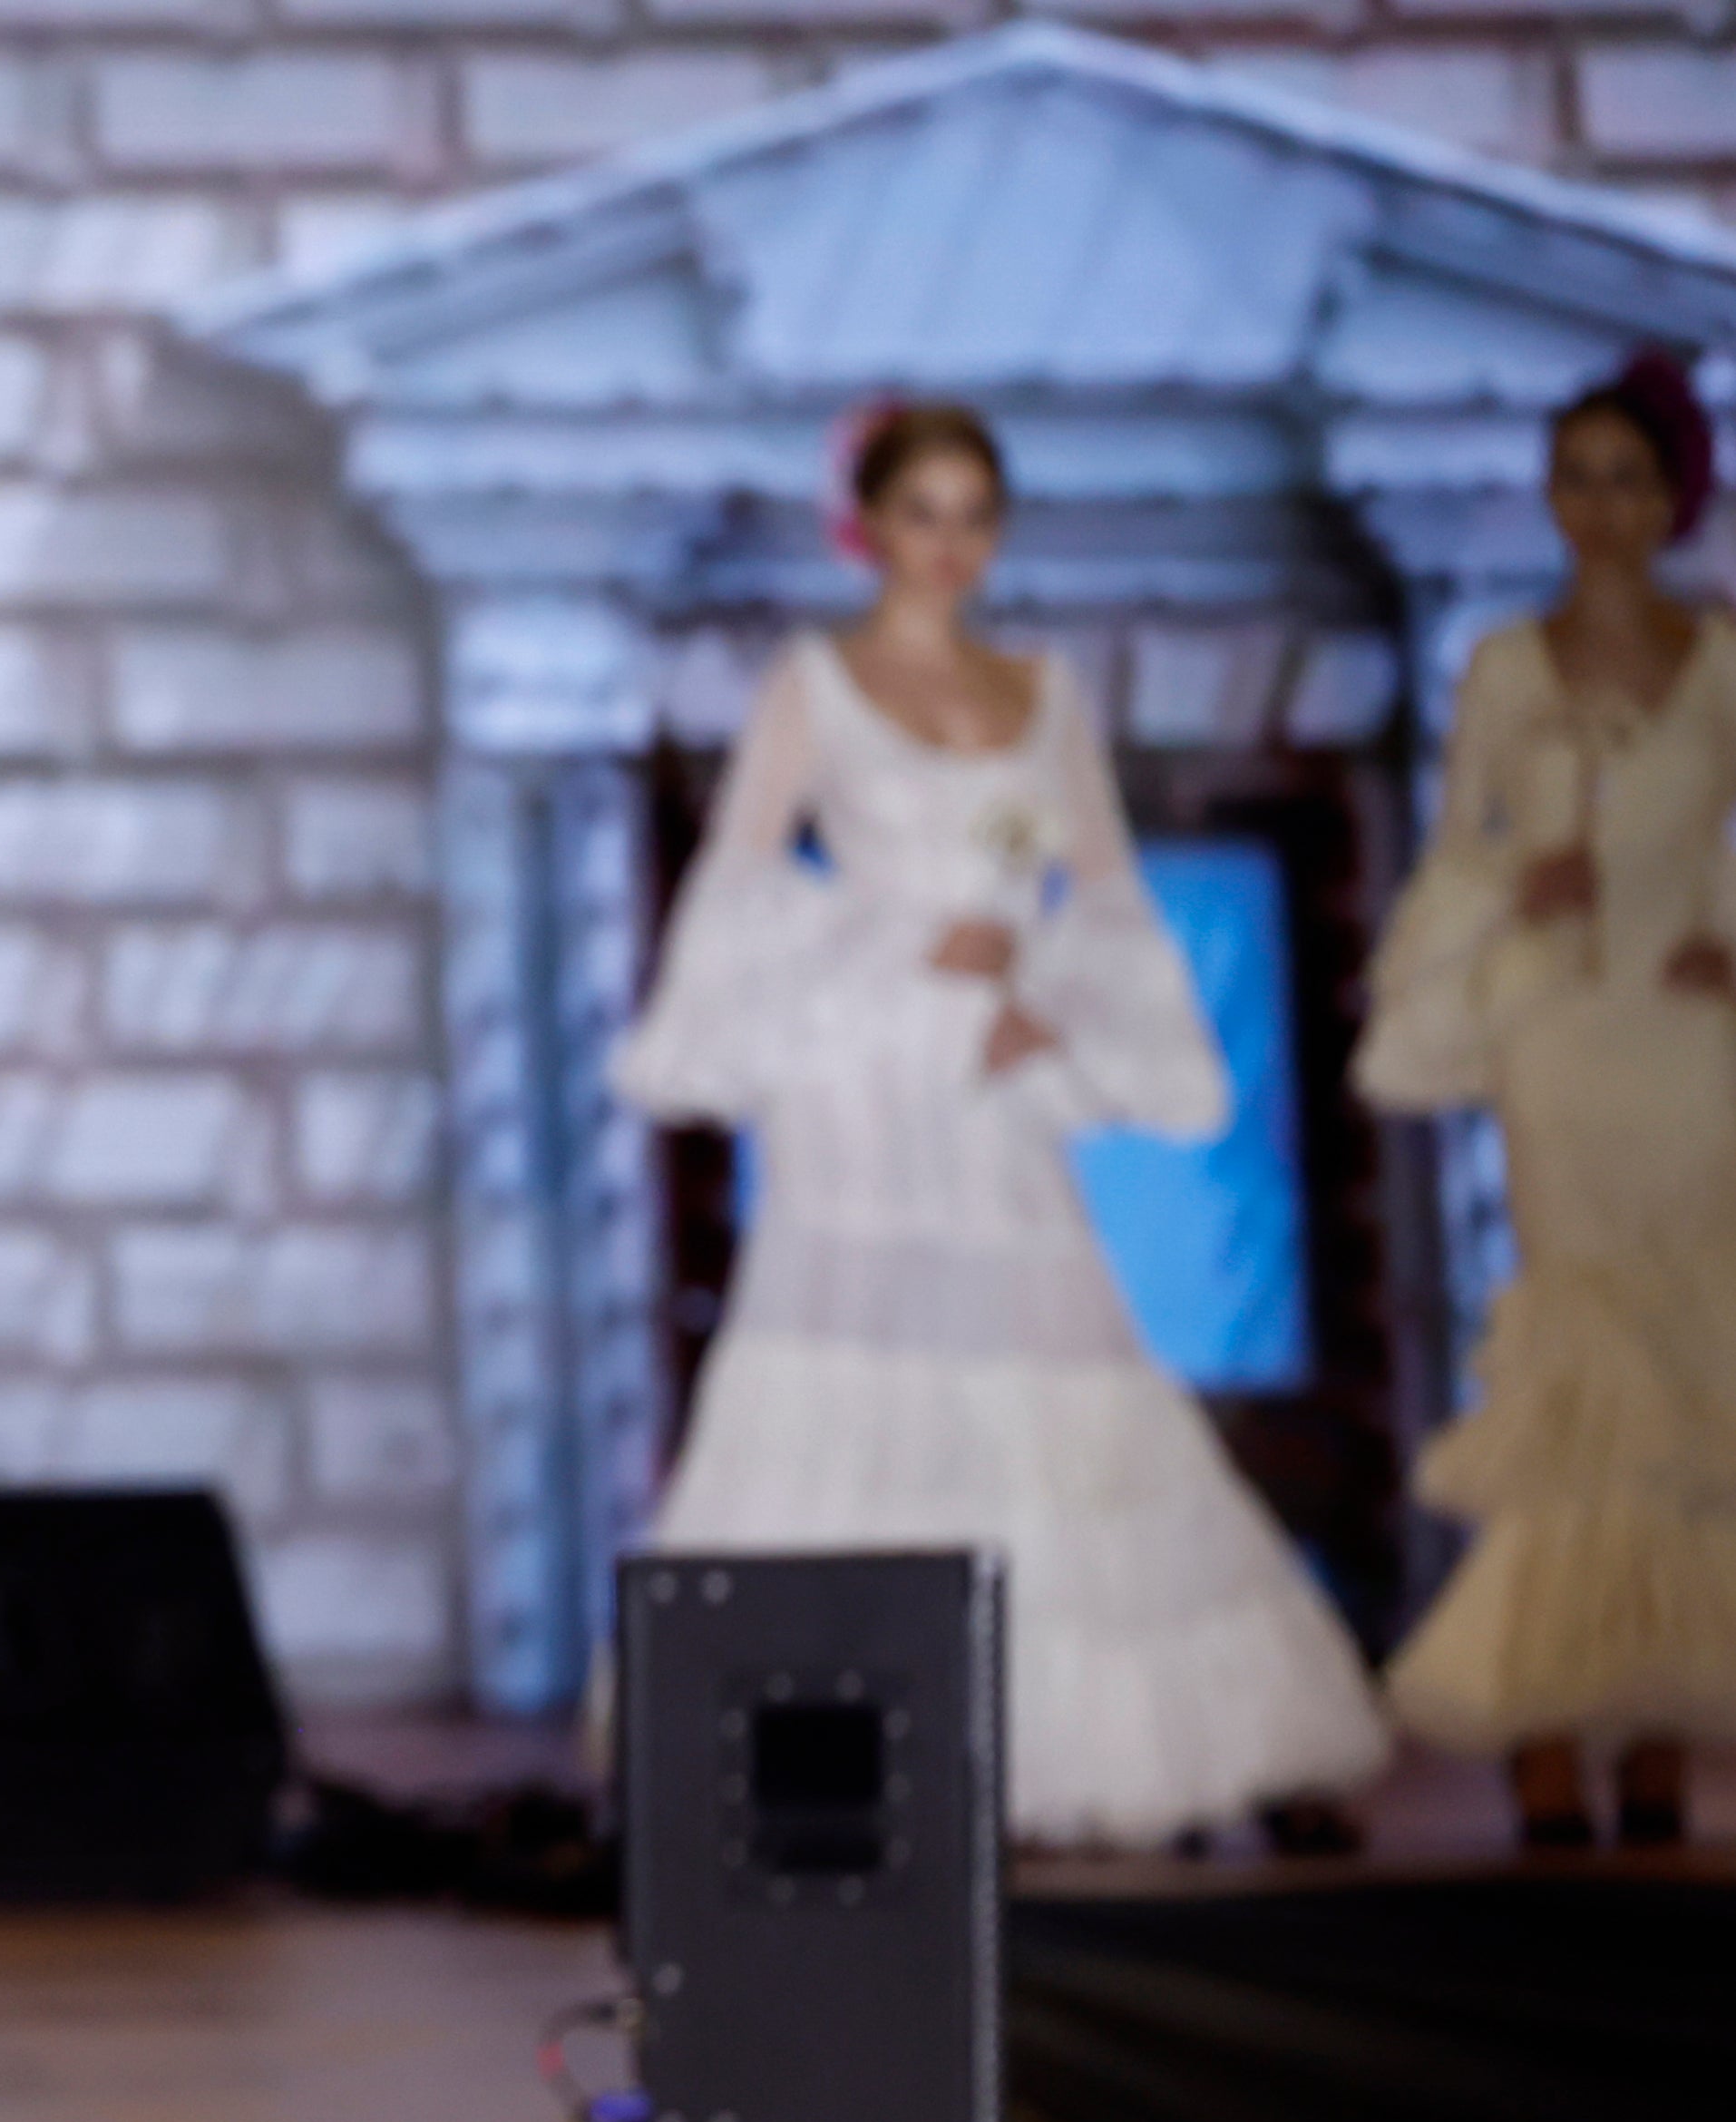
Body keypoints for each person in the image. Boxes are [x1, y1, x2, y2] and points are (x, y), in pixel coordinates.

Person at [611, 402, 1389, 1849]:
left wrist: (1043, 993)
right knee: (852, 1381)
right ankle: (843, 1759)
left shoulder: (1042, 691)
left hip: (986, 1074)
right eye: (924, 512)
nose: (950, 544)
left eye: (975, 514)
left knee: (1050, 1372)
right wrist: (892, 943)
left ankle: (1050, 1746)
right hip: (866, 1080)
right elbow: (736, 881)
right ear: (870, 525)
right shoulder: (814, 683)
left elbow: (1099, 890)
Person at [1360, 352, 1736, 1851]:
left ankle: (1650, 1720)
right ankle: (1542, 1713)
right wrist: (1522, 883)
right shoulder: (1504, 668)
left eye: (1624, 476)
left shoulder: (1721, 656)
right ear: (1547, 498)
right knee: (1573, 1354)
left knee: (1682, 1360)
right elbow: (1456, 850)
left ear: (1673, 496)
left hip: (1688, 1039)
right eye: (1574, 475)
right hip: (1558, 1040)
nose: (1599, 505)